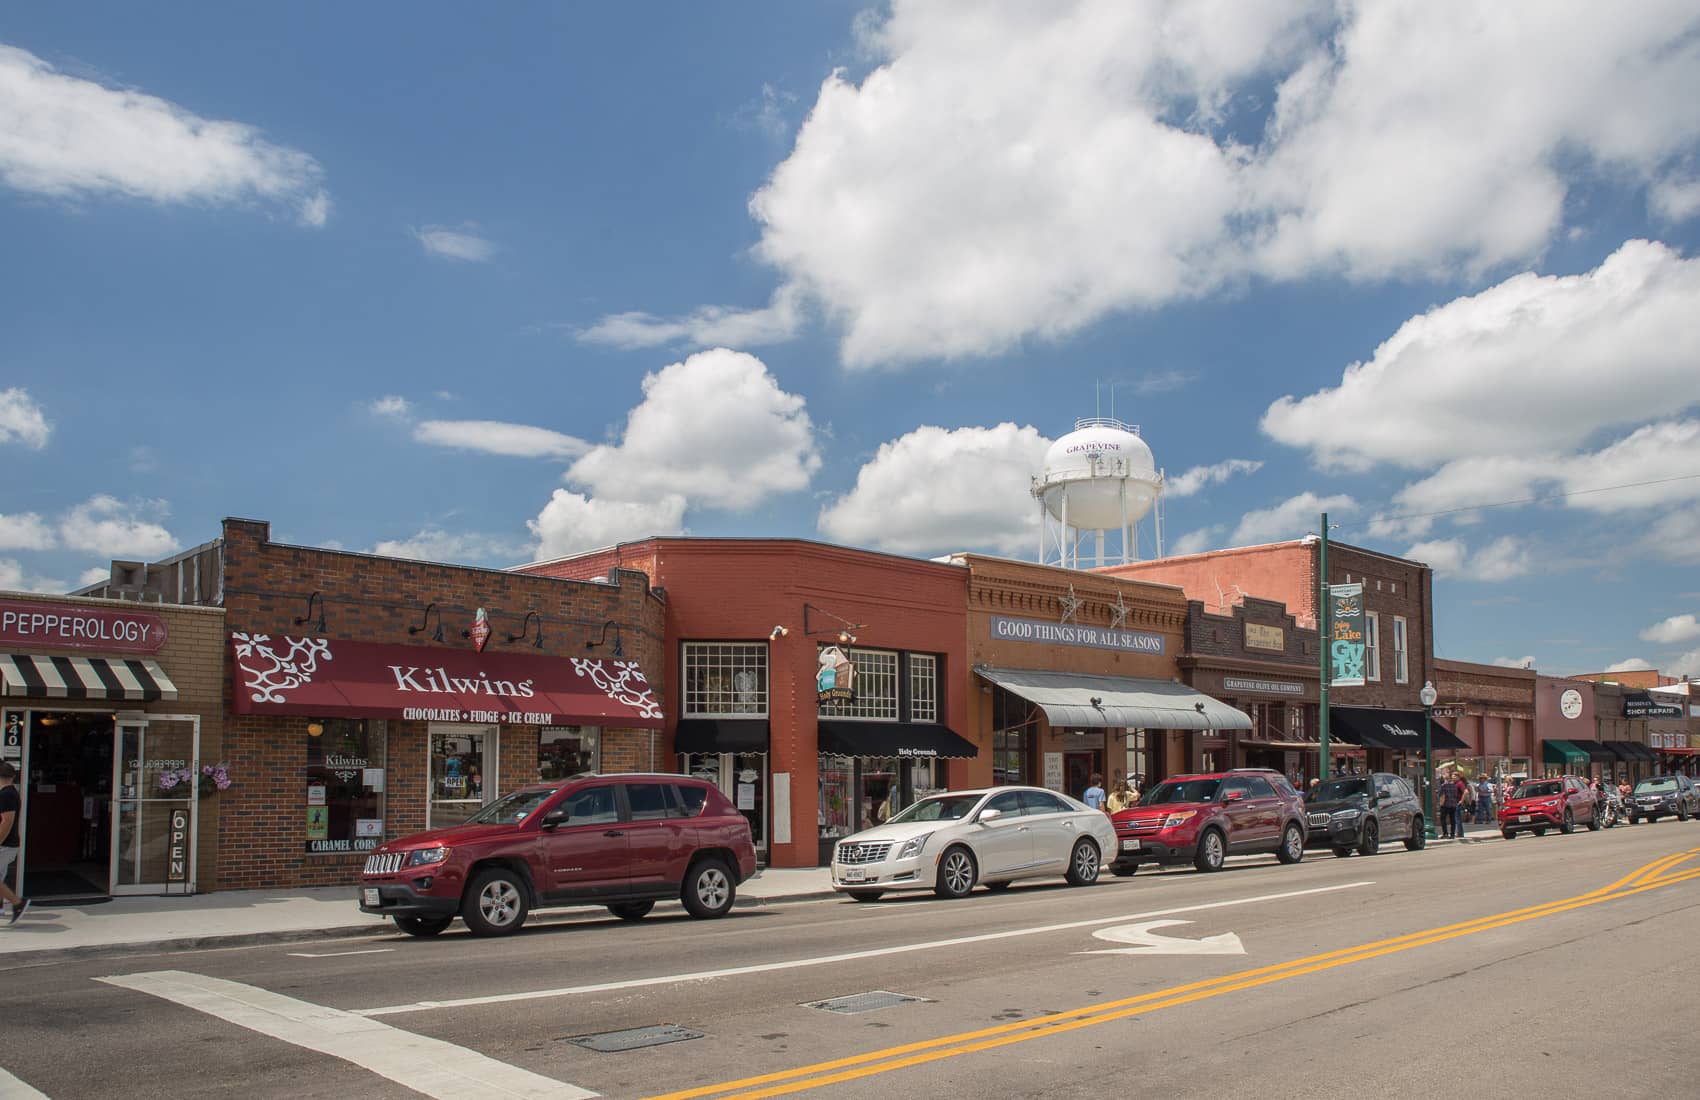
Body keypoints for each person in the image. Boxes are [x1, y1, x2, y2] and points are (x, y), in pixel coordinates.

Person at [0, 762, 28, 925]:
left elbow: (6, 822)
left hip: (5, 844)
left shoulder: (7, 795)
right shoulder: (9, 793)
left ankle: (17, 903)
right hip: (8, 844)